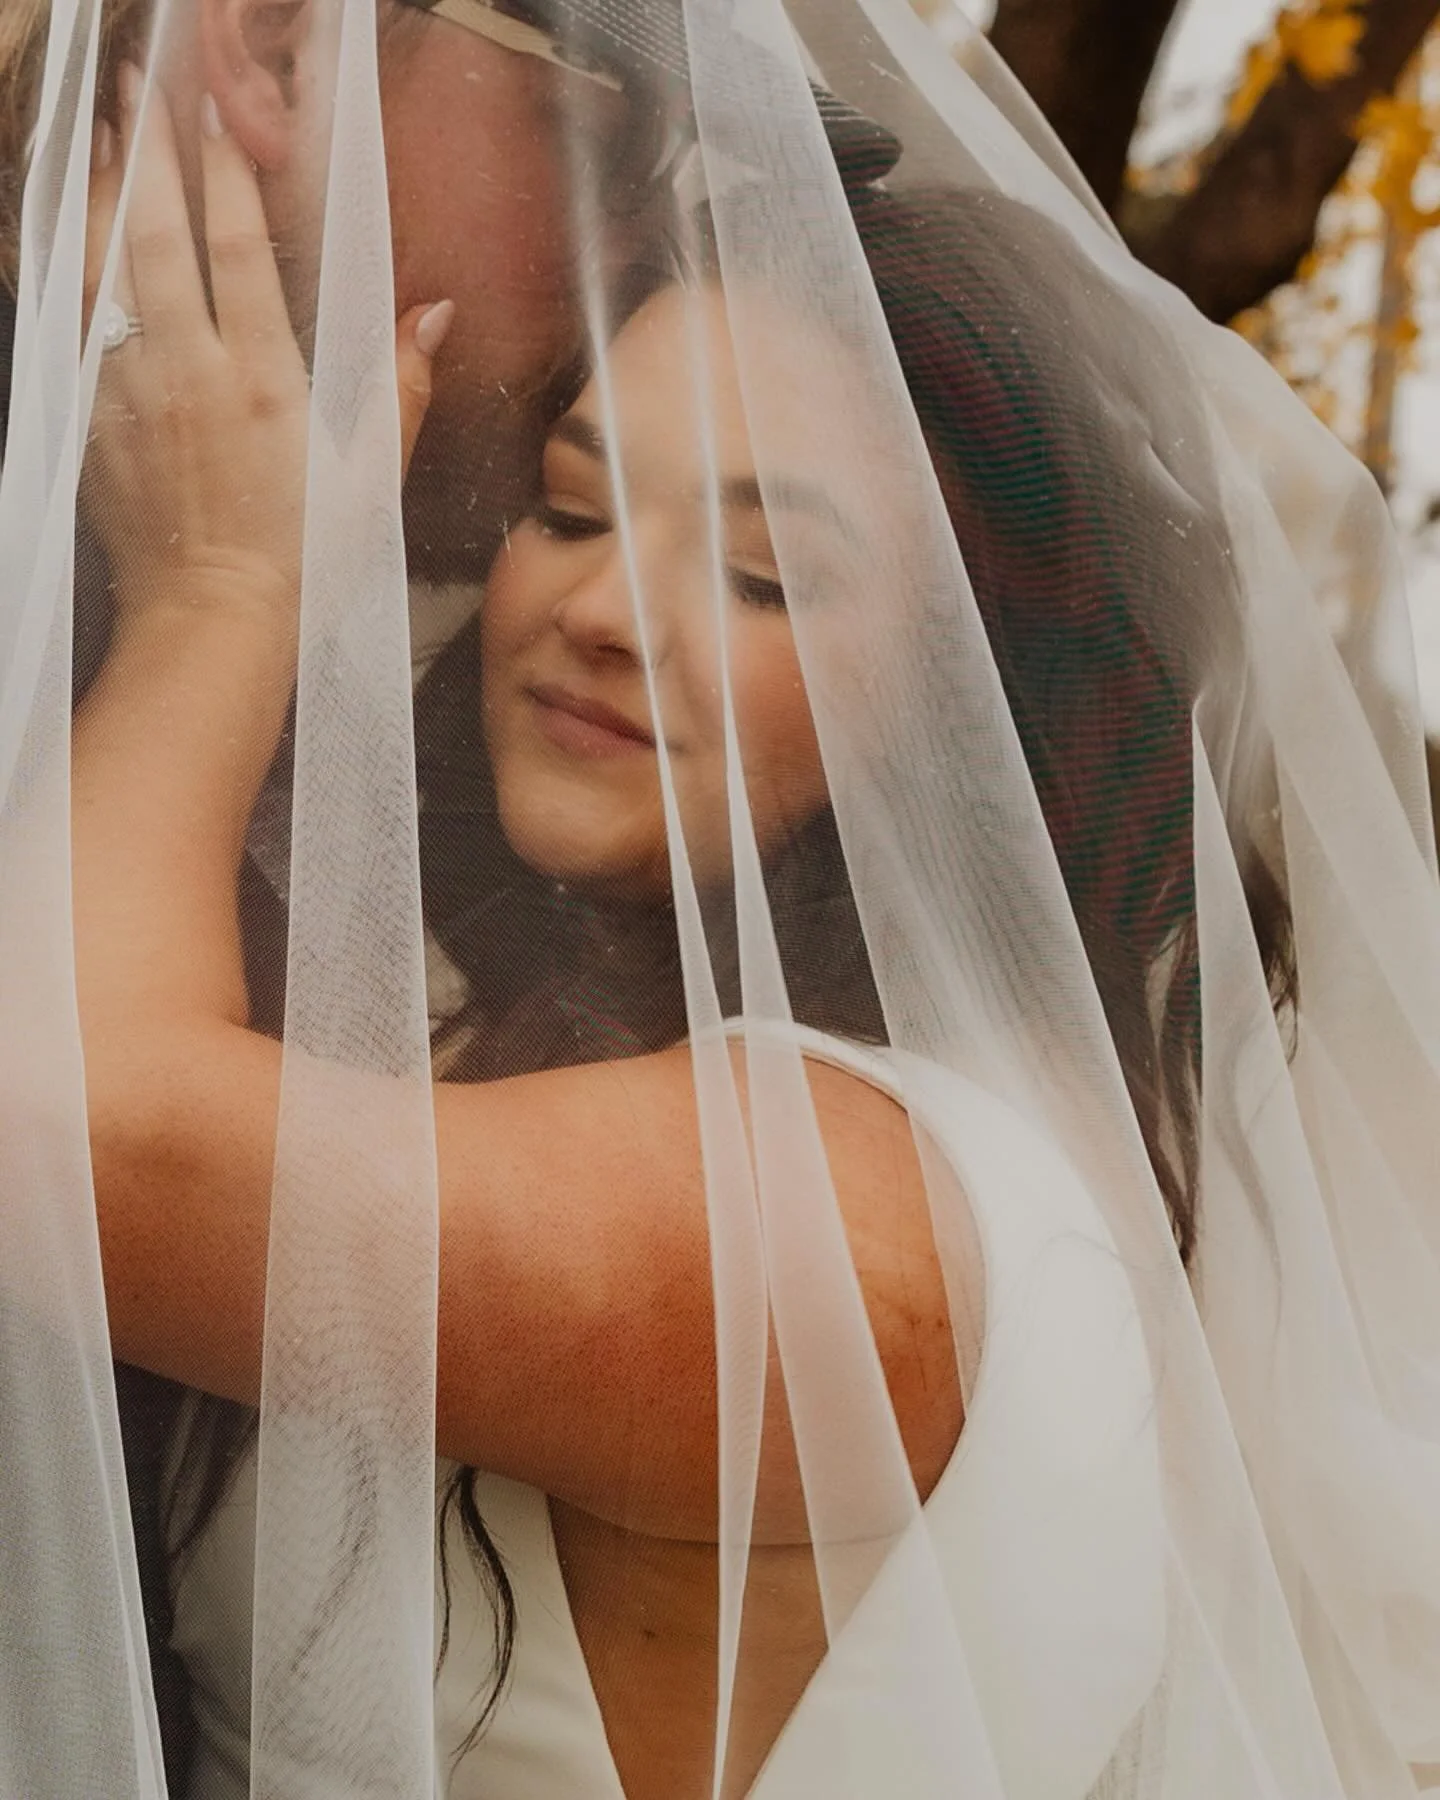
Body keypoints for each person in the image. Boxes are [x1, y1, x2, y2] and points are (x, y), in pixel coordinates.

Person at [9, 0, 1440, 1794]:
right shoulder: (643, 1086)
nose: (604, 611)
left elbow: (76, 1133)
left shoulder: (855, 1220)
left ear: (955, 718)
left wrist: (217, 588)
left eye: (764, 576)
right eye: (574, 506)